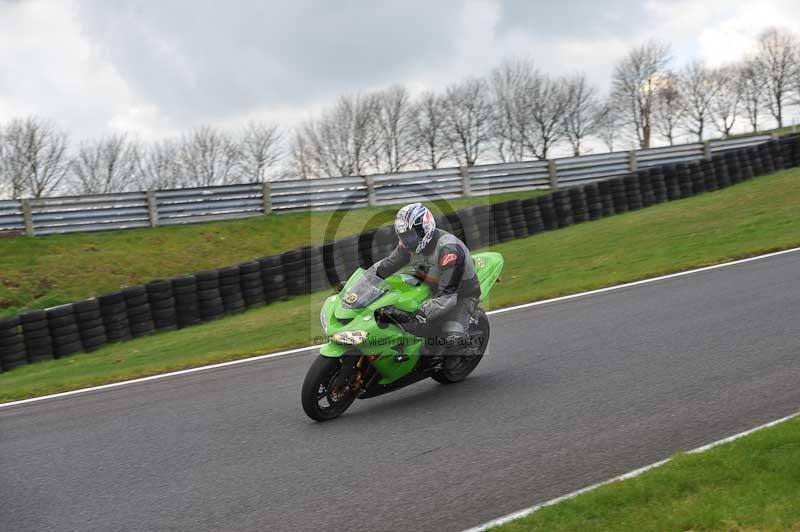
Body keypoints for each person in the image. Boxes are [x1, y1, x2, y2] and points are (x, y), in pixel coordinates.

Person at [373, 202, 481, 366]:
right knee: (395, 308)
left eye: (410, 235)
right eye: (403, 236)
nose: (407, 240)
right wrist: (361, 284)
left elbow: (448, 297)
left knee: (451, 341)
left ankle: (467, 349)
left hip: (460, 294)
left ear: (425, 228)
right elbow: (386, 266)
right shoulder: (407, 245)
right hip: (428, 283)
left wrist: (420, 313)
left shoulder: (448, 250)